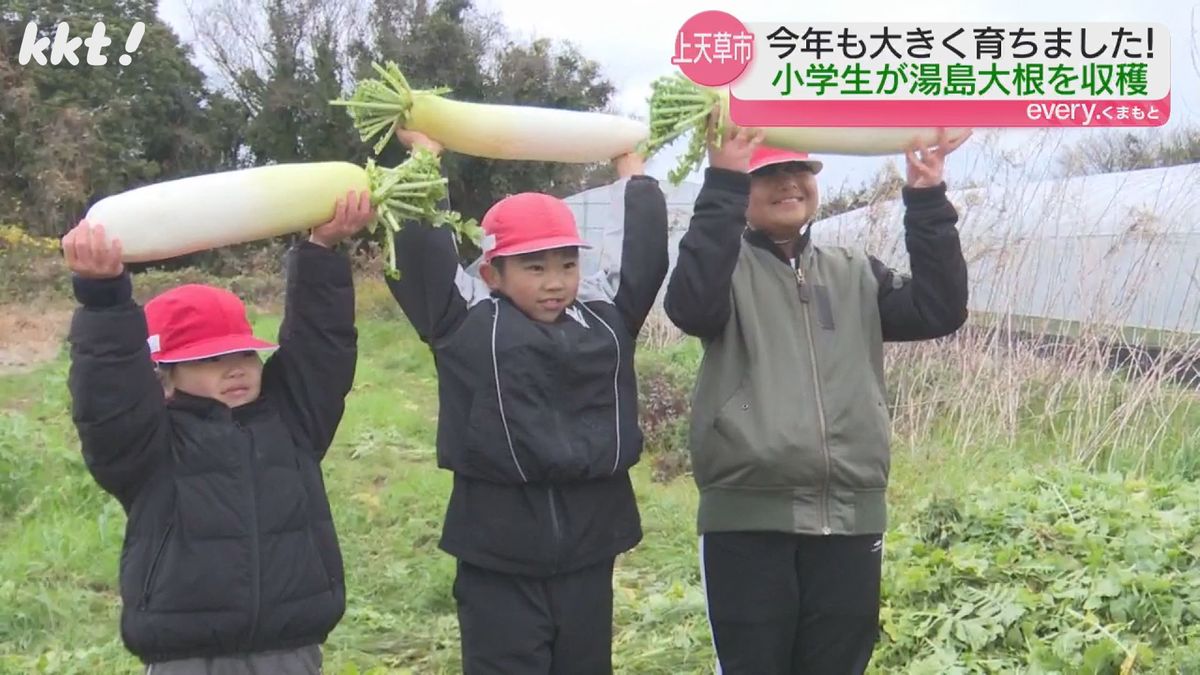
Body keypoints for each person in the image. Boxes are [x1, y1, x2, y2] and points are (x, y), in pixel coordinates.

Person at [663, 125, 971, 674]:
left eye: (799, 171)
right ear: (744, 189)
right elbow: (689, 308)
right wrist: (721, 182)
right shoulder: (723, 271)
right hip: (748, 516)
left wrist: (926, 198)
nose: (788, 183)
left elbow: (939, 309)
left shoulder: (854, 271)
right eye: (768, 174)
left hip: (851, 516)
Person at [385, 129, 669, 674]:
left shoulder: (604, 321)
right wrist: (423, 165)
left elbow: (643, 262)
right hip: (499, 559)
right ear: (493, 272)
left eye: (566, 265)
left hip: (589, 551)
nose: (555, 283)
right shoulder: (467, 326)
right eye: (534, 268)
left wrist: (634, 177)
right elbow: (422, 260)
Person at [63, 191, 374, 674]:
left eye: (244, 353)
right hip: (187, 658)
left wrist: (321, 251)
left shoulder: (293, 421)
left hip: (288, 649)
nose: (235, 370)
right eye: (207, 360)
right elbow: (108, 394)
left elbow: (321, 345)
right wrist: (104, 300)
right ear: (163, 375)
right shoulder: (146, 450)